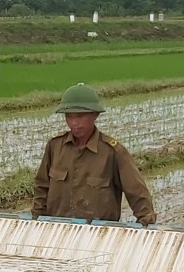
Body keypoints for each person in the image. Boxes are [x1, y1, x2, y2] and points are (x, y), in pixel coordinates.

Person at [32, 83, 156, 226]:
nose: (74, 123)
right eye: (69, 116)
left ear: (95, 115)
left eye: (80, 116)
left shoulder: (113, 152)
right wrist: (37, 222)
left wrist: (146, 225)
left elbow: (137, 192)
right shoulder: (55, 147)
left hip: (99, 235)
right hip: (59, 231)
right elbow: (41, 187)